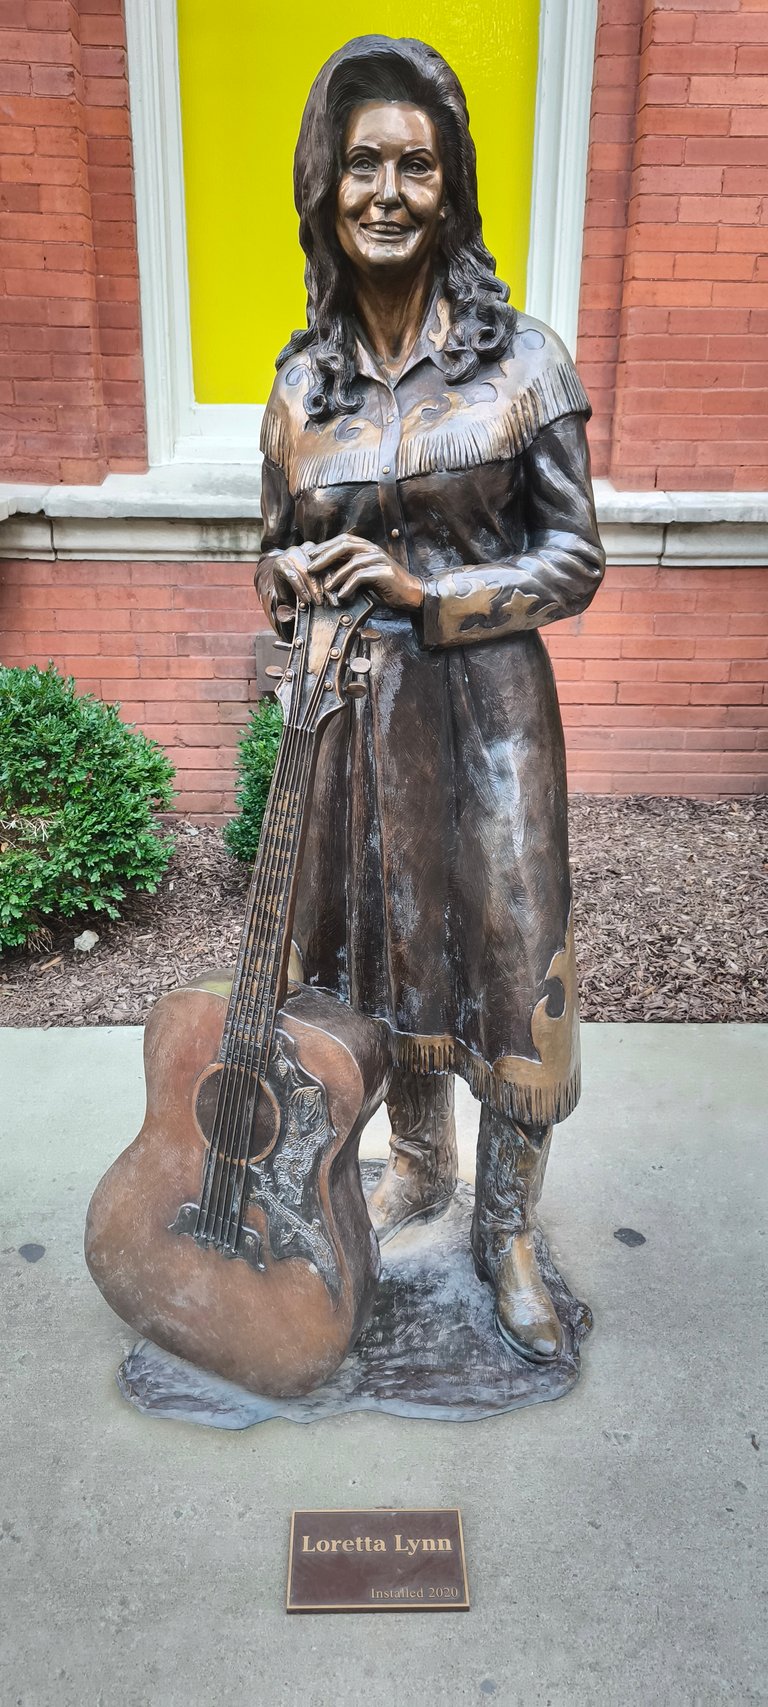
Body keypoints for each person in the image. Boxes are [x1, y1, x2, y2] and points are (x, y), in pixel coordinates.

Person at [255, 36, 605, 1363]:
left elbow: (576, 563)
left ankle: (507, 1232)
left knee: (508, 963)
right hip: (350, 723)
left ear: (451, 190)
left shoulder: (523, 363)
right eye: (362, 165)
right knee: (374, 952)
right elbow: (271, 561)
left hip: (491, 717)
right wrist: (292, 574)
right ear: (326, 190)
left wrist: (426, 595)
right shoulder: (300, 390)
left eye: (415, 164)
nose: (387, 191)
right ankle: (420, 1163)